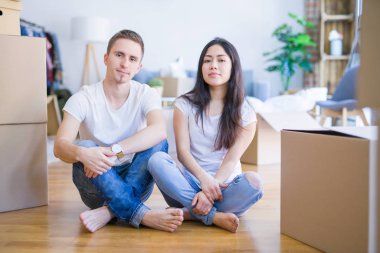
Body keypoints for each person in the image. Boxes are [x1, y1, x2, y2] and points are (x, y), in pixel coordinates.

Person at [54, 30, 183, 233]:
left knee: (159, 142)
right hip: (95, 183)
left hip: (135, 180)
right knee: (85, 146)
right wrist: (83, 154)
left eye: (132, 59)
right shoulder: (83, 97)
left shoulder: (145, 93)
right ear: (106, 58)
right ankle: (143, 215)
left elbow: (159, 130)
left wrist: (114, 150)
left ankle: (109, 212)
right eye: (119, 55)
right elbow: (60, 146)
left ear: (139, 67)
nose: (125, 64)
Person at [148, 38, 263, 233]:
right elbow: (183, 152)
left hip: (224, 187)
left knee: (255, 182)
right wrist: (204, 180)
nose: (213, 66)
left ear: (233, 66)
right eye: (207, 60)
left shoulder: (246, 112)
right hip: (188, 184)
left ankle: (189, 213)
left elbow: (230, 160)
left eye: (221, 60)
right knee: (156, 160)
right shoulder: (184, 104)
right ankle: (214, 216)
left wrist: (212, 187)